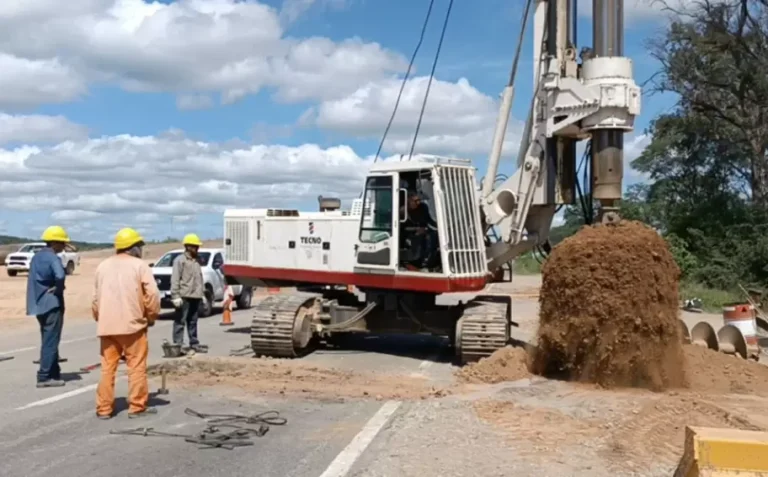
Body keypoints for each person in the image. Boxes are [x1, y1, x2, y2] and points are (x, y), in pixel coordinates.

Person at [91, 227, 160, 419]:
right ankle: (137, 406)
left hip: (107, 326)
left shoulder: (102, 266)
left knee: (107, 368)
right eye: (139, 245)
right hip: (133, 326)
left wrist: (100, 317)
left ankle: (104, 409)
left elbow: (95, 299)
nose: (141, 249)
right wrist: (151, 315)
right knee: (136, 366)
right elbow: (152, 294)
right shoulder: (139, 266)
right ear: (133, 247)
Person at [26, 225, 70, 388]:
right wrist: (58, 288)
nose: (64, 246)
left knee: (47, 337)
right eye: (62, 243)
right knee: (51, 340)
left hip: (38, 304)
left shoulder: (36, 257)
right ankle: (44, 376)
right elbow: (60, 275)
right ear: (55, 243)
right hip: (52, 304)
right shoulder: (53, 258)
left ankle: (53, 372)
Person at [170, 233, 205, 352]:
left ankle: (194, 344)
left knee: (193, 322)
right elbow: (175, 279)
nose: (197, 248)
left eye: (197, 246)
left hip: (195, 296)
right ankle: (177, 346)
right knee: (180, 321)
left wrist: (202, 293)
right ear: (188, 247)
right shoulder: (179, 261)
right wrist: (175, 296)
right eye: (195, 246)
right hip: (183, 296)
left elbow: (199, 278)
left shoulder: (197, 260)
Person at [403, 190, 438, 268]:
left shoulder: (423, 207)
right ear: (409, 200)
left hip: (425, 231)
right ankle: (421, 263)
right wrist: (416, 229)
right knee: (424, 239)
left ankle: (430, 263)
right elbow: (402, 228)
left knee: (433, 236)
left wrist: (438, 226)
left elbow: (429, 220)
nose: (418, 203)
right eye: (415, 201)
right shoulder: (403, 211)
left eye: (419, 200)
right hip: (409, 234)